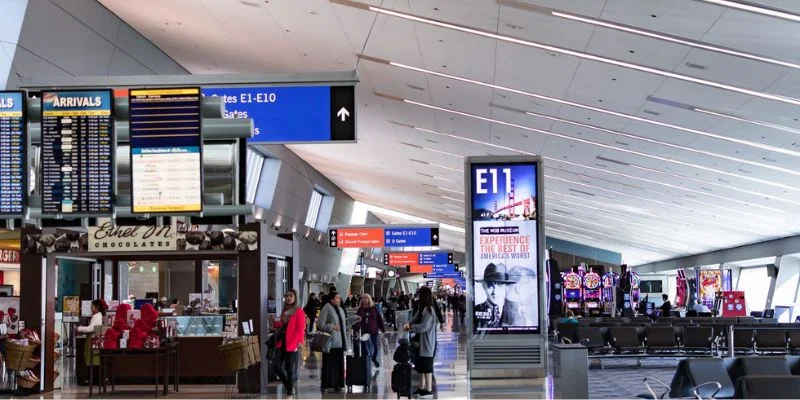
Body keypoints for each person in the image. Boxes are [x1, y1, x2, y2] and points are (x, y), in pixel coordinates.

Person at [317, 291, 361, 393]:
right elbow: (320, 324)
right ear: (332, 299)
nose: (339, 299)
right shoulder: (327, 308)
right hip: (330, 342)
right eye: (337, 298)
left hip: (340, 342)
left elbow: (344, 324)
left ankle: (338, 384)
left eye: (340, 298)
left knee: (339, 365)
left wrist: (354, 319)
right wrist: (332, 327)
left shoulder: (340, 309)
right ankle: (326, 385)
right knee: (328, 364)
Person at [271, 289, 305, 399]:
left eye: (291, 296)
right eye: (287, 296)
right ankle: (289, 386)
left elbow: (301, 329)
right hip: (282, 342)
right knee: (276, 366)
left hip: (293, 343)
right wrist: (274, 322)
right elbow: (282, 325)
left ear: (295, 298)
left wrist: (299, 342)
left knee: (290, 368)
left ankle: (289, 393)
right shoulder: (285, 311)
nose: (288, 298)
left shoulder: (299, 311)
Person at [404, 286, 438, 397]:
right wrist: (409, 324)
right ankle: (421, 387)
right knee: (420, 367)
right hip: (420, 343)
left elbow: (424, 327)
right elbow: (414, 319)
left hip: (427, 343)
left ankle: (428, 389)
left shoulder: (429, 311)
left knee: (427, 367)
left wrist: (411, 327)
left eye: (420, 295)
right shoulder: (422, 309)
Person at [474, 263, 519, 328]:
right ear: (484, 287)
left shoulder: (516, 309)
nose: (495, 292)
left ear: (507, 287)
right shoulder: (476, 310)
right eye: (490, 286)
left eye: (500, 285)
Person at [356, 294, 385, 368]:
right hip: (363, 332)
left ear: (369, 299)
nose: (364, 299)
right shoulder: (360, 310)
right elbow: (355, 320)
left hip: (373, 331)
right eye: (363, 298)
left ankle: (374, 358)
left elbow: (379, 319)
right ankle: (366, 362)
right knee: (365, 348)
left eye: (366, 298)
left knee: (375, 347)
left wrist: (383, 330)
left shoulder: (374, 309)